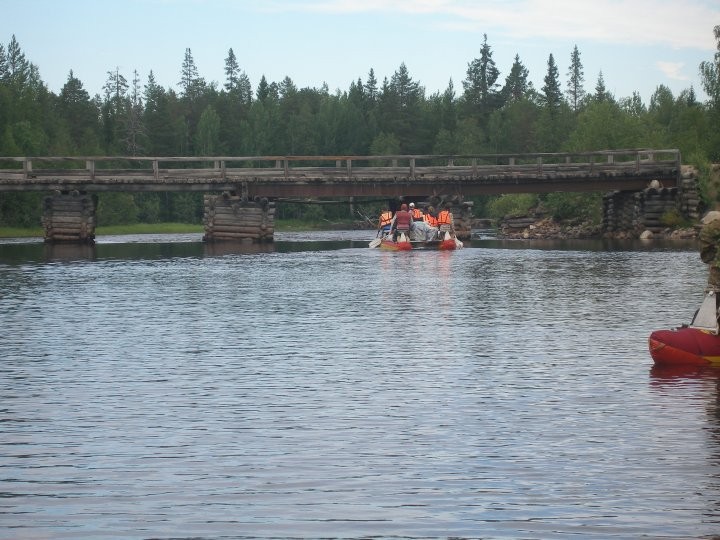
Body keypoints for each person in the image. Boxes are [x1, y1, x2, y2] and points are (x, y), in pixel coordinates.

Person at [699, 210, 720, 292]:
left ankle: (713, 284)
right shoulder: (711, 229)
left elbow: (705, 250)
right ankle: (714, 284)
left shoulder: (708, 229)